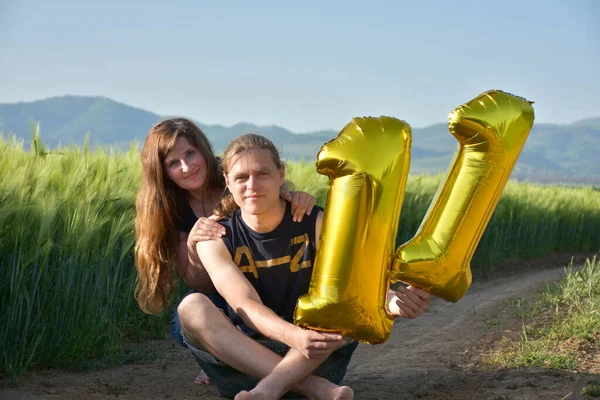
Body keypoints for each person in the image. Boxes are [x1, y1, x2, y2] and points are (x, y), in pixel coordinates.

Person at [178, 133, 431, 399]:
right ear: (228, 182)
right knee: (190, 307)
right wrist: (294, 336)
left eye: (262, 173)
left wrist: (392, 302)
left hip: (315, 355)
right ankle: (313, 389)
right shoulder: (214, 237)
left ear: (280, 174)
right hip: (243, 361)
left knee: (339, 304)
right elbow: (245, 303)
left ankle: (270, 389)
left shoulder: (316, 221)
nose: (252, 185)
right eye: (241, 177)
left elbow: (351, 284)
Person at [134, 118, 317, 384]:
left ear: (203, 150)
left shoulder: (238, 174)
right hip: (224, 293)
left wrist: (298, 196)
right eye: (174, 163)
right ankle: (229, 350)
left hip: (270, 276)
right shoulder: (170, 210)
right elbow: (198, 283)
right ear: (162, 172)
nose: (187, 167)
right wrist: (193, 246)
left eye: (190, 154)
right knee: (181, 322)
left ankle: (237, 359)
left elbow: (276, 197)